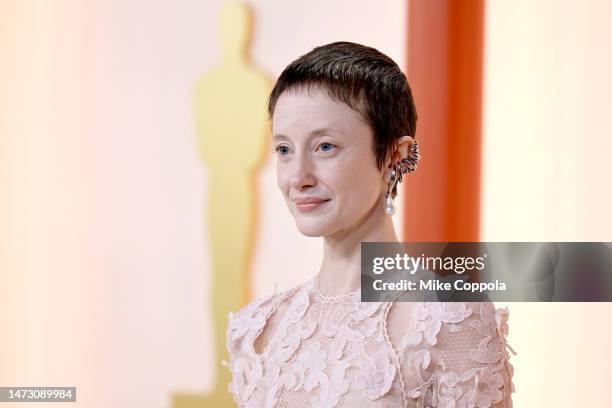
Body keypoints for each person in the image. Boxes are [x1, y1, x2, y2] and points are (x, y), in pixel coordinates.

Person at [225, 41, 515, 407]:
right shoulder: (258, 330)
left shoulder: (448, 316)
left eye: (325, 146)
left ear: (395, 156)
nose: (298, 176)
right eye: (284, 150)